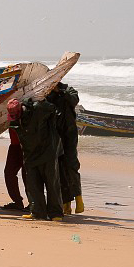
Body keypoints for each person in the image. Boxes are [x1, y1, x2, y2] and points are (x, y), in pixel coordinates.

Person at [7, 97, 64, 221]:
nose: (14, 118)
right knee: (32, 183)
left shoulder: (38, 108)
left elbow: (55, 110)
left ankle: (56, 213)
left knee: (52, 183)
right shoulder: (15, 121)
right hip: (30, 154)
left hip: (48, 151)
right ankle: (37, 212)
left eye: (15, 115)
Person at [47, 82, 83, 214]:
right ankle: (66, 203)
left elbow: (74, 100)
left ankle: (79, 198)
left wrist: (61, 91)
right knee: (59, 168)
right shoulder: (48, 93)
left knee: (72, 166)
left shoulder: (68, 90)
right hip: (56, 135)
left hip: (69, 134)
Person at [0, 127, 29, 212]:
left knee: (27, 174)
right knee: (9, 173)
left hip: (27, 144)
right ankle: (18, 202)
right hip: (14, 144)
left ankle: (33, 202)